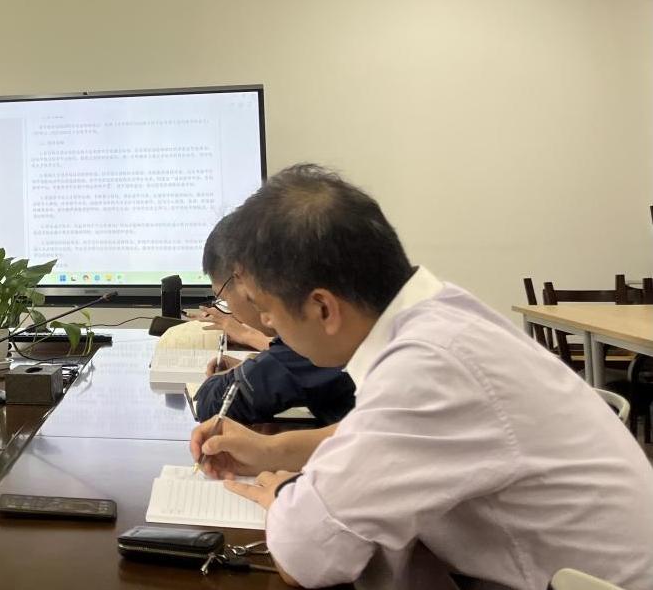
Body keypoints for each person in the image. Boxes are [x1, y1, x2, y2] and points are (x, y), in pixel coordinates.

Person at [189, 164, 653, 589]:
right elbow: (371, 435)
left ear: (323, 308)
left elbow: (305, 557)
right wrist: (271, 451)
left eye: (267, 310)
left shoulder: (427, 367)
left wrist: (283, 497)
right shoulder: (441, 316)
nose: (267, 325)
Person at [190, 214, 355, 426]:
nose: (266, 319)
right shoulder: (359, 312)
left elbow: (212, 404)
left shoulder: (312, 334)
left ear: (244, 278)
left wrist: (246, 372)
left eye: (222, 297)